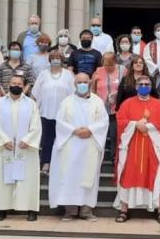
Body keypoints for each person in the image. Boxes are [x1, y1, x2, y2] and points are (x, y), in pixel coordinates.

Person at [49, 73, 110, 221]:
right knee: (69, 177)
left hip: (90, 144)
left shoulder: (97, 102)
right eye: (79, 82)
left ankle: (86, 211)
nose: (82, 84)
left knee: (88, 177)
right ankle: (70, 211)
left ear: (90, 83)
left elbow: (104, 121)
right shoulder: (67, 102)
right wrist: (74, 130)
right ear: (74, 84)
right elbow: (60, 121)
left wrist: (90, 130)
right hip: (70, 144)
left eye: (85, 82)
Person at [113, 75, 160, 224]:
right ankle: (124, 209)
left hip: (152, 147)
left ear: (151, 87)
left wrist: (148, 127)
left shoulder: (158, 104)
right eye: (141, 84)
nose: (144, 86)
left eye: (147, 84)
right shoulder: (127, 103)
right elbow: (121, 121)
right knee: (128, 174)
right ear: (136, 86)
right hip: (132, 146)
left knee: (155, 175)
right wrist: (134, 124)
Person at [0, 75, 42, 222]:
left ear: (23, 86)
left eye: (19, 83)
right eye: (13, 83)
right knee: (2, 179)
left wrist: (28, 140)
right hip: (6, 148)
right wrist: (3, 140)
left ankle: (31, 209)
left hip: (25, 148)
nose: (16, 85)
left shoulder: (30, 104)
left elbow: (36, 124)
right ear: (8, 84)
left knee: (28, 179)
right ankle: (1, 209)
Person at [31, 51, 76, 175]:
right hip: (45, 113)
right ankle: (46, 163)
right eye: (53, 58)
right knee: (47, 140)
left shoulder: (68, 75)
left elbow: (74, 94)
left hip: (64, 114)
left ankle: (61, 164)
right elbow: (35, 94)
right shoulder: (43, 75)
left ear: (62, 60)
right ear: (49, 60)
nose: (55, 60)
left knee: (63, 140)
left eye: (58, 58)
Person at [92, 52, 126, 158]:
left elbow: (126, 86)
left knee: (114, 134)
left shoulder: (123, 70)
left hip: (117, 109)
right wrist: (93, 83)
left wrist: (117, 94)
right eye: (105, 65)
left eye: (110, 65)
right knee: (99, 134)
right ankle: (98, 157)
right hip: (101, 108)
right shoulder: (98, 71)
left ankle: (113, 157)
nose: (107, 67)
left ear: (115, 62)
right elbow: (92, 90)